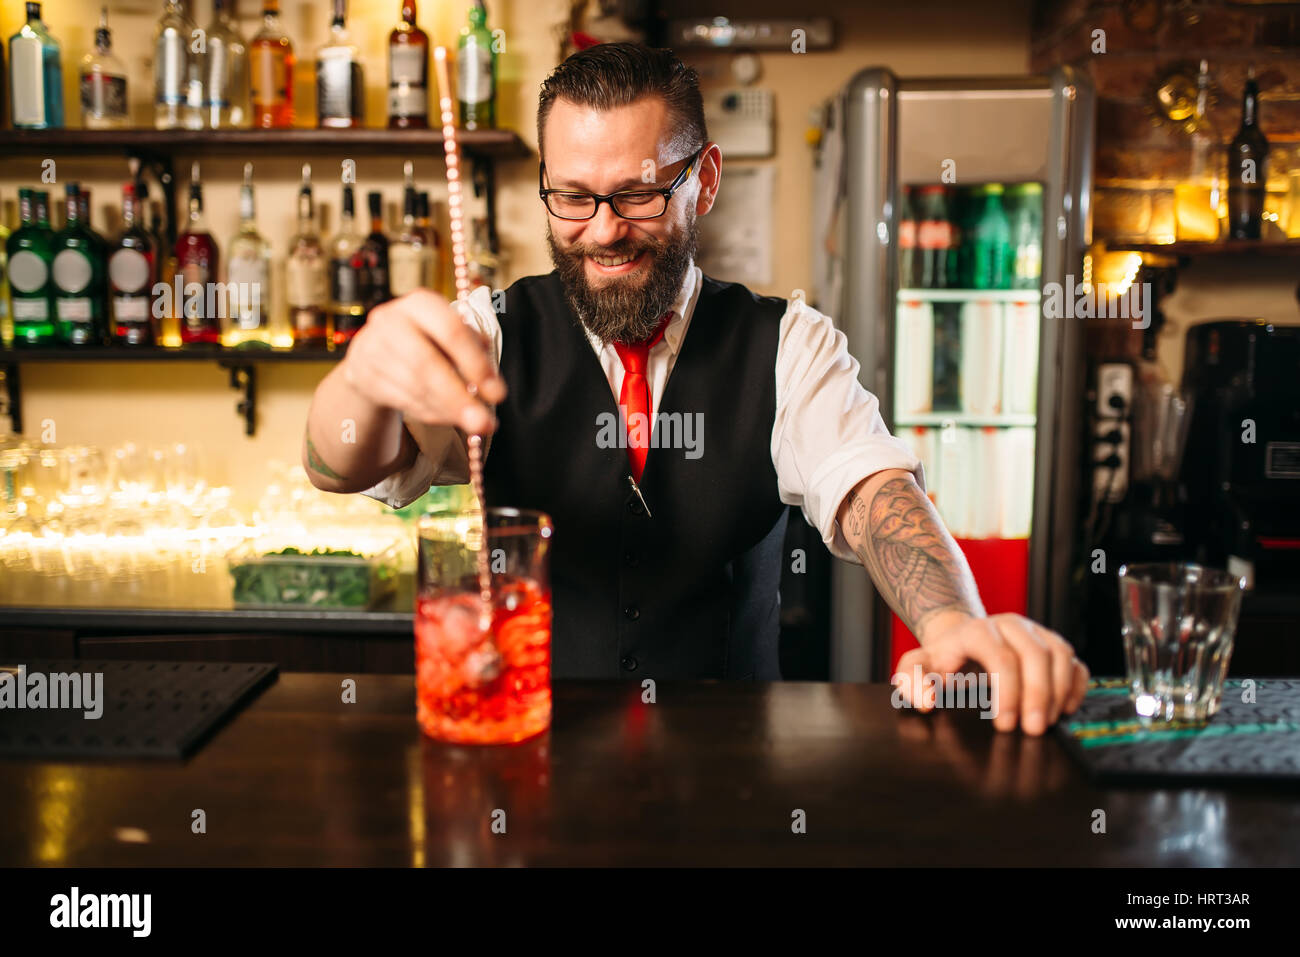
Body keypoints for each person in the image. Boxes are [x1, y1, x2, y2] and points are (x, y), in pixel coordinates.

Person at [303, 42, 1089, 735]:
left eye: (638, 194)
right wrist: (360, 379)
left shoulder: (787, 344)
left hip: (734, 781)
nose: (604, 230)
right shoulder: (489, 332)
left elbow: (876, 494)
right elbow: (342, 467)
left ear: (703, 180)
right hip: (534, 761)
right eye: (573, 197)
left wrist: (952, 620)